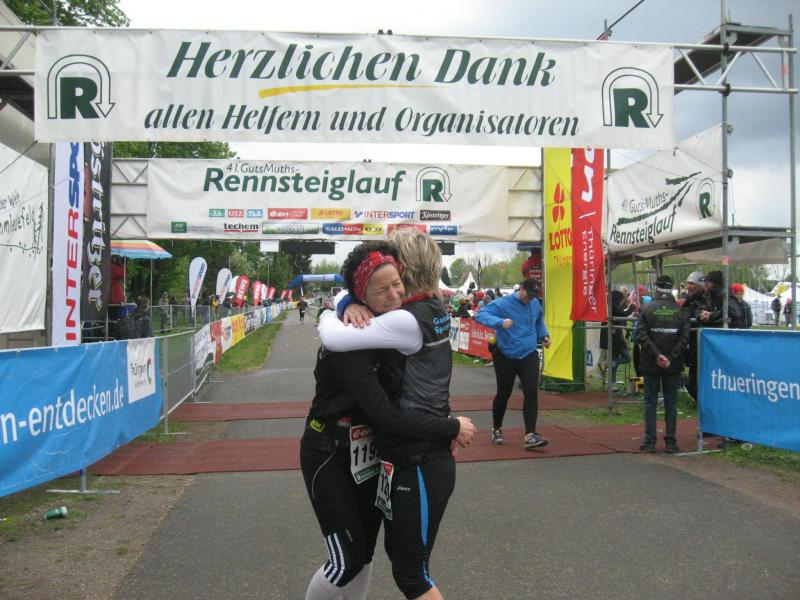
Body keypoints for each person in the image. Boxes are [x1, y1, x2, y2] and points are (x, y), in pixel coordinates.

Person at [304, 239, 475, 600]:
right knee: (349, 561)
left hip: (379, 452)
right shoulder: (370, 328)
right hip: (332, 448)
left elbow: (418, 383)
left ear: (404, 272)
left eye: (395, 282)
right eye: (381, 289)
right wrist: (449, 425)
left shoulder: (396, 320)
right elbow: (334, 338)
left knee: (368, 554)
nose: (393, 293)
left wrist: (343, 304)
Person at [474, 278, 551, 449]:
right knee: (504, 393)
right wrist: (500, 322)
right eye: (527, 295)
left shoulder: (534, 303)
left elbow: (538, 321)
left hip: (528, 353)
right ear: (521, 288)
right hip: (506, 355)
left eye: (533, 296)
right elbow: (480, 315)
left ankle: (530, 435)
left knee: (531, 391)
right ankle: (496, 428)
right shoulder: (503, 303)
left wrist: (544, 335)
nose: (529, 299)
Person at [636, 275, 690, 454]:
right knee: (671, 403)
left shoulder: (646, 308)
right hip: (672, 364)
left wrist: (657, 355)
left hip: (650, 362)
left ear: (656, 287)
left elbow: (642, 335)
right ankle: (671, 442)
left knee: (650, 402)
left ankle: (650, 441)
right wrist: (670, 357)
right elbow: (684, 338)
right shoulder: (681, 311)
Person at [599, 290, 634, 392]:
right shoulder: (612, 307)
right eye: (622, 299)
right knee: (627, 358)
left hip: (613, 337)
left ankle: (613, 384)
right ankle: (610, 363)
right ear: (617, 299)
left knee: (614, 364)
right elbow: (623, 314)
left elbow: (620, 313)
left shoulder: (610, 306)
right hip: (614, 338)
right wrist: (632, 307)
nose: (623, 301)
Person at [682, 271, 709, 403]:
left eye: (692, 284)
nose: (689, 286)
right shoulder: (689, 298)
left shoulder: (704, 298)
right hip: (690, 338)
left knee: (699, 367)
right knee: (693, 367)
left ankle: (700, 397)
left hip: (700, 338)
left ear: (700, 285)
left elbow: (701, 314)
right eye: (688, 283)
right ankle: (696, 394)